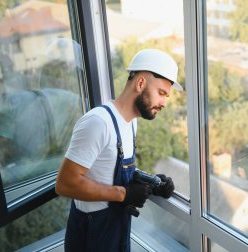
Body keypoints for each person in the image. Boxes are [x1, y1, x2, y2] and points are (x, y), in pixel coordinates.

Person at [55, 48, 181, 252]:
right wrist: (123, 194)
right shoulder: (98, 123)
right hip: (91, 235)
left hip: (117, 231)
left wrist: (151, 183)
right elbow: (65, 184)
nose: (164, 103)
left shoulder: (131, 123)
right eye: (161, 93)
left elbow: (109, 170)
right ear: (140, 83)